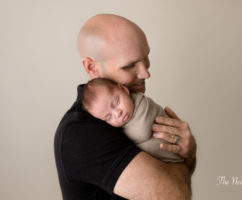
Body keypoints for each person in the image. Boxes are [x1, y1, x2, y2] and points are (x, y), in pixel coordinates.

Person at [54, 14, 197, 200]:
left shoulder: (133, 108)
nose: (146, 73)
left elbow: (178, 183)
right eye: (129, 66)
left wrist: (188, 153)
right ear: (91, 67)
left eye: (146, 57)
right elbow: (176, 194)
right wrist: (180, 163)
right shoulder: (81, 133)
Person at [82, 77, 183, 162]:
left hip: (177, 158)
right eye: (108, 117)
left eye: (116, 102)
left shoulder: (142, 103)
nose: (117, 113)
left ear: (123, 89)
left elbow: (141, 132)